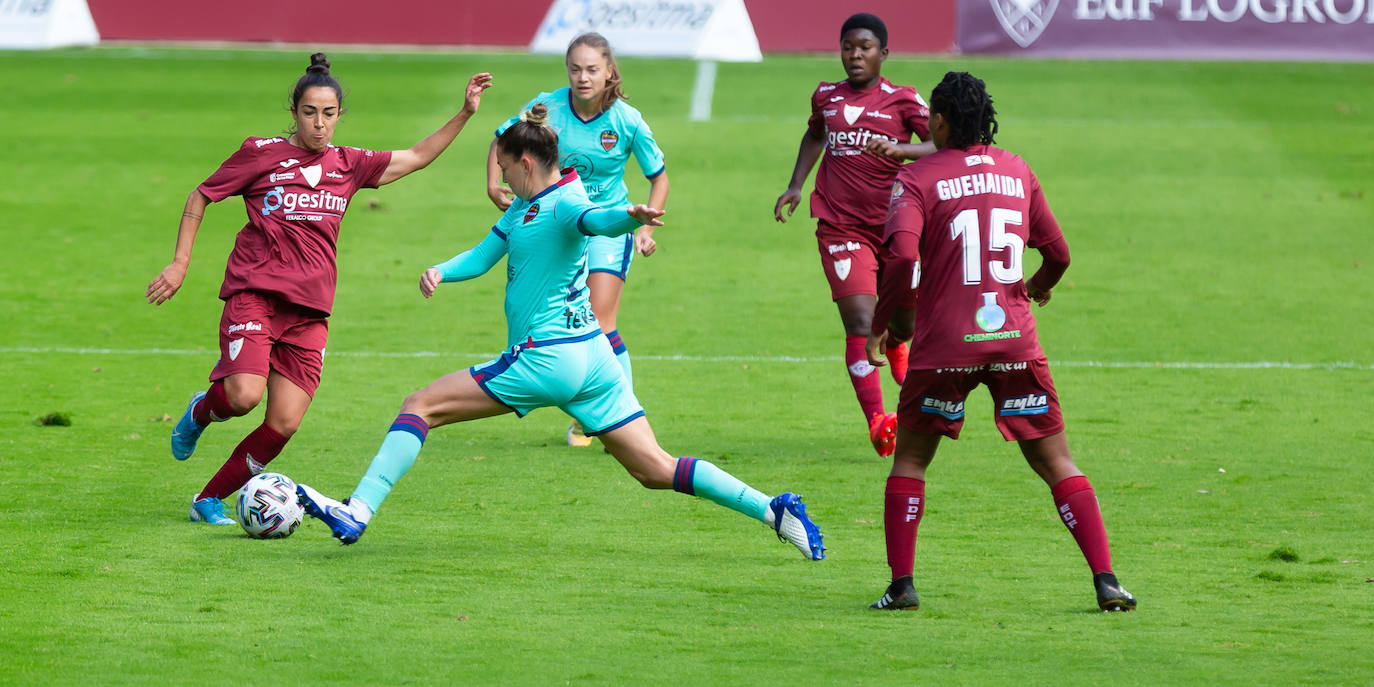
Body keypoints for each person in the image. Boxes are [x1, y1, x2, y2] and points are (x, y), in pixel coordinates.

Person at [296, 105, 825, 563]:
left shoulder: (566, 201)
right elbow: (483, 256)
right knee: (655, 468)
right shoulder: (527, 204)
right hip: (596, 362)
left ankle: (357, 510)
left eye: (505, 167)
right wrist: (441, 270)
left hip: (547, 360)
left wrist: (629, 217)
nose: (501, 179)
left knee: (420, 405)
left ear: (526, 164)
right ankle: (772, 510)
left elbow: (596, 220)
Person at [145, 53, 494, 526]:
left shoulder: (349, 165)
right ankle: (201, 413)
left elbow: (415, 157)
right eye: (310, 112)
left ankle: (208, 499)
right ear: (294, 113)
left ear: (338, 116)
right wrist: (180, 262)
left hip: (310, 312)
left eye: (329, 114)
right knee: (243, 396)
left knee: (284, 422)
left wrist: (466, 112)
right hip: (256, 296)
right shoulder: (261, 152)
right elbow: (201, 195)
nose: (319, 123)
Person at [863, 71, 1137, 612]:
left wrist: (887, 327)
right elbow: (1058, 255)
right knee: (1058, 461)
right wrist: (1035, 289)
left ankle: (902, 586)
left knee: (912, 462)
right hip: (1014, 341)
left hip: (945, 347)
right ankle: (1106, 579)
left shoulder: (917, 178)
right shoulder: (1017, 170)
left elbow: (900, 258)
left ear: (939, 121)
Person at [485, 32, 669, 448]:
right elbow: (503, 137)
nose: (582, 78)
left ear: (609, 71)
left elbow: (659, 179)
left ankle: (612, 419)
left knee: (602, 322)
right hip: (556, 224)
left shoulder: (627, 120)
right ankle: (597, 411)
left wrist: (643, 227)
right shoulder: (547, 106)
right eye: (574, 69)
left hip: (606, 226)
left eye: (591, 70)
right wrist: (493, 184)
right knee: (563, 320)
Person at [772, 13, 935, 458]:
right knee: (861, 323)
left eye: (864, 47)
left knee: (905, 323)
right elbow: (815, 135)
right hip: (839, 225)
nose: (855, 55)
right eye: (848, 47)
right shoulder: (826, 96)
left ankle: (898, 342)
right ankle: (878, 421)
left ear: (883, 53)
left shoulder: (903, 100)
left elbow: (942, 143)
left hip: (898, 226)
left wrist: (902, 149)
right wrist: (795, 185)